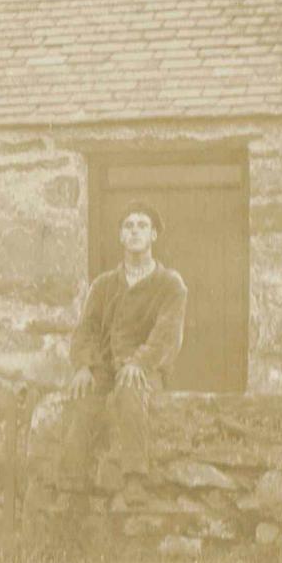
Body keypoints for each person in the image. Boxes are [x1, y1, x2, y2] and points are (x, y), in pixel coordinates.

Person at [58, 203, 187, 502]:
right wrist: (83, 366)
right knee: (82, 395)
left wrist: (139, 363)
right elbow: (86, 330)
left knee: (130, 388)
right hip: (105, 368)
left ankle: (134, 480)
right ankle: (70, 485)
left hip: (146, 370)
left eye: (142, 225)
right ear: (120, 236)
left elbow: (166, 335)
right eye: (129, 226)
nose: (135, 231)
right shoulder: (103, 285)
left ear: (154, 235)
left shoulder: (169, 284)